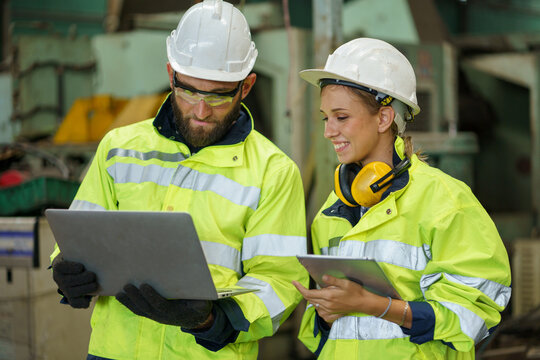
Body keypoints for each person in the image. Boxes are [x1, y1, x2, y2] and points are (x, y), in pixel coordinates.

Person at [50, 1, 309, 359]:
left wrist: (211, 321)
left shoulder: (273, 171)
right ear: (171, 74)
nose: (201, 111)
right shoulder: (119, 148)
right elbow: (80, 234)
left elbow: (281, 281)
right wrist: (66, 267)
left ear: (246, 86)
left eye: (218, 95)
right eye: (188, 91)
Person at [292, 38, 511, 359]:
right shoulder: (332, 209)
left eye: (341, 117)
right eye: (326, 118)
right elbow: (336, 332)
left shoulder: (446, 200)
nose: (328, 131)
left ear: (383, 119)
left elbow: (473, 317)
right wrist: (326, 315)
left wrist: (374, 305)